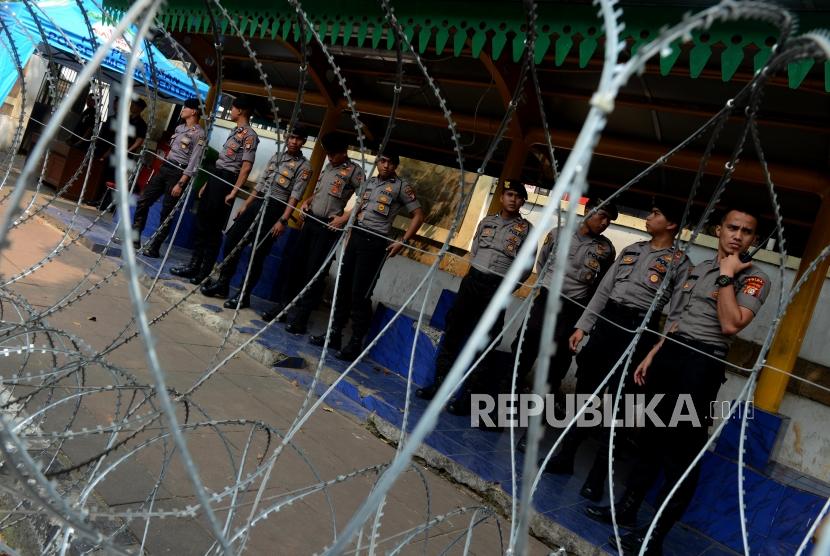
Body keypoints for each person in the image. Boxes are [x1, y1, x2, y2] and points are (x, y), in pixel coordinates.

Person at [586, 206, 771, 556]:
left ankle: (654, 537)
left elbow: (732, 324)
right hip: (670, 356)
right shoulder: (699, 268)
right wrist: (654, 353)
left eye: (747, 232)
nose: (738, 235)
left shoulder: (753, 277)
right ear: (719, 229)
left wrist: (727, 276)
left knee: (680, 455)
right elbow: (678, 318)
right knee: (650, 440)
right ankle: (625, 511)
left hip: (701, 365)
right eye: (732, 227)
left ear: (754, 240)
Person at [541, 201, 691, 503]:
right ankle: (565, 456)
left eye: (656, 213)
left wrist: (658, 348)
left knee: (618, 407)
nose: (649, 216)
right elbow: (604, 290)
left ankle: (597, 478)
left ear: (671, 224)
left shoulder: (679, 262)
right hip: (607, 324)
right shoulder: (632, 250)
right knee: (587, 394)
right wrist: (583, 326)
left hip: (638, 331)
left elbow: (677, 312)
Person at [416, 181, 534, 404]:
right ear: (502, 197)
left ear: (522, 202)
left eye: (518, 197)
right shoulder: (487, 222)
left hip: (498, 287)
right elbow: (476, 248)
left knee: (486, 340)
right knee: (454, 331)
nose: (512, 199)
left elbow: (526, 266)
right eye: (509, 194)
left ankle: (468, 396)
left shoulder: (526, 230)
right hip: (473, 280)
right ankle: (438, 384)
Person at [308, 150, 425, 361]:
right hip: (356, 237)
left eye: (391, 162)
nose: (386, 165)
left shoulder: (401, 187)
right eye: (383, 161)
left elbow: (418, 215)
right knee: (343, 288)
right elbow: (358, 208)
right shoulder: (369, 183)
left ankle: (355, 343)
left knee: (360, 293)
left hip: (375, 242)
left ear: (396, 166)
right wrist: (349, 232)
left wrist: (403, 241)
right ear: (378, 162)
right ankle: (334, 334)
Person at [507, 198, 617, 415]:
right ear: (589, 210)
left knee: (556, 366)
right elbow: (543, 261)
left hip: (572, 311)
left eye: (609, 220)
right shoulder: (559, 234)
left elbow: (602, 285)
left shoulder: (605, 249)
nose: (605, 223)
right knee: (523, 353)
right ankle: (502, 410)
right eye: (602, 216)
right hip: (545, 302)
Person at [199, 124, 312, 309]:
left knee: (257, 254)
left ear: (304, 142)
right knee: (232, 239)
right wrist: (245, 205)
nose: (293, 141)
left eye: (298, 139)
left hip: (275, 209)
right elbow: (260, 184)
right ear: (285, 136)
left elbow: (295, 196)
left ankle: (243, 296)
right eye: (291, 137)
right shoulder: (277, 156)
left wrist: (283, 220)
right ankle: (223, 283)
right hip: (257, 202)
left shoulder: (304, 166)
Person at [259, 132, 364, 327]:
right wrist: (307, 202)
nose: (330, 157)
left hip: (328, 228)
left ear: (344, 152)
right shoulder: (328, 166)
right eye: (329, 154)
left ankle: (301, 317)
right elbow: (318, 193)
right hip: (310, 222)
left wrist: (343, 218)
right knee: (296, 266)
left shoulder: (354, 171)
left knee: (314, 272)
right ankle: (283, 307)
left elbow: (363, 200)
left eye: (334, 154)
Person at [170, 96, 259, 284]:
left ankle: (204, 271)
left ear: (241, 111)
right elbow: (221, 162)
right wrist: (207, 183)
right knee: (202, 222)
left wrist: (234, 192)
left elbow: (245, 167)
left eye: (233, 108)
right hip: (216, 177)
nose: (231, 111)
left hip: (227, 181)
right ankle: (194, 265)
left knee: (213, 227)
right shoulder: (235, 131)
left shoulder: (250, 135)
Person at [125, 98, 206, 258]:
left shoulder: (200, 135)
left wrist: (181, 183)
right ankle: (134, 238)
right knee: (144, 200)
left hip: (178, 173)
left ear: (194, 111)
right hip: (166, 167)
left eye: (185, 108)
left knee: (166, 213)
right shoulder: (180, 128)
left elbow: (194, 162)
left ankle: (154, 247)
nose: (182, 110)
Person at [97, 98, 148, 215]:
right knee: (107, 176)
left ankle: (108, 205)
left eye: (135, 105)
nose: (132, 106)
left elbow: (139, 140)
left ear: (140, 109)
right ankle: (100, 201)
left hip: (125, 154)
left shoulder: (141, 124)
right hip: (115, 150)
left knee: (116, 180)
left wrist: (127, 150)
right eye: (132, 104)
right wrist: (108, 151)